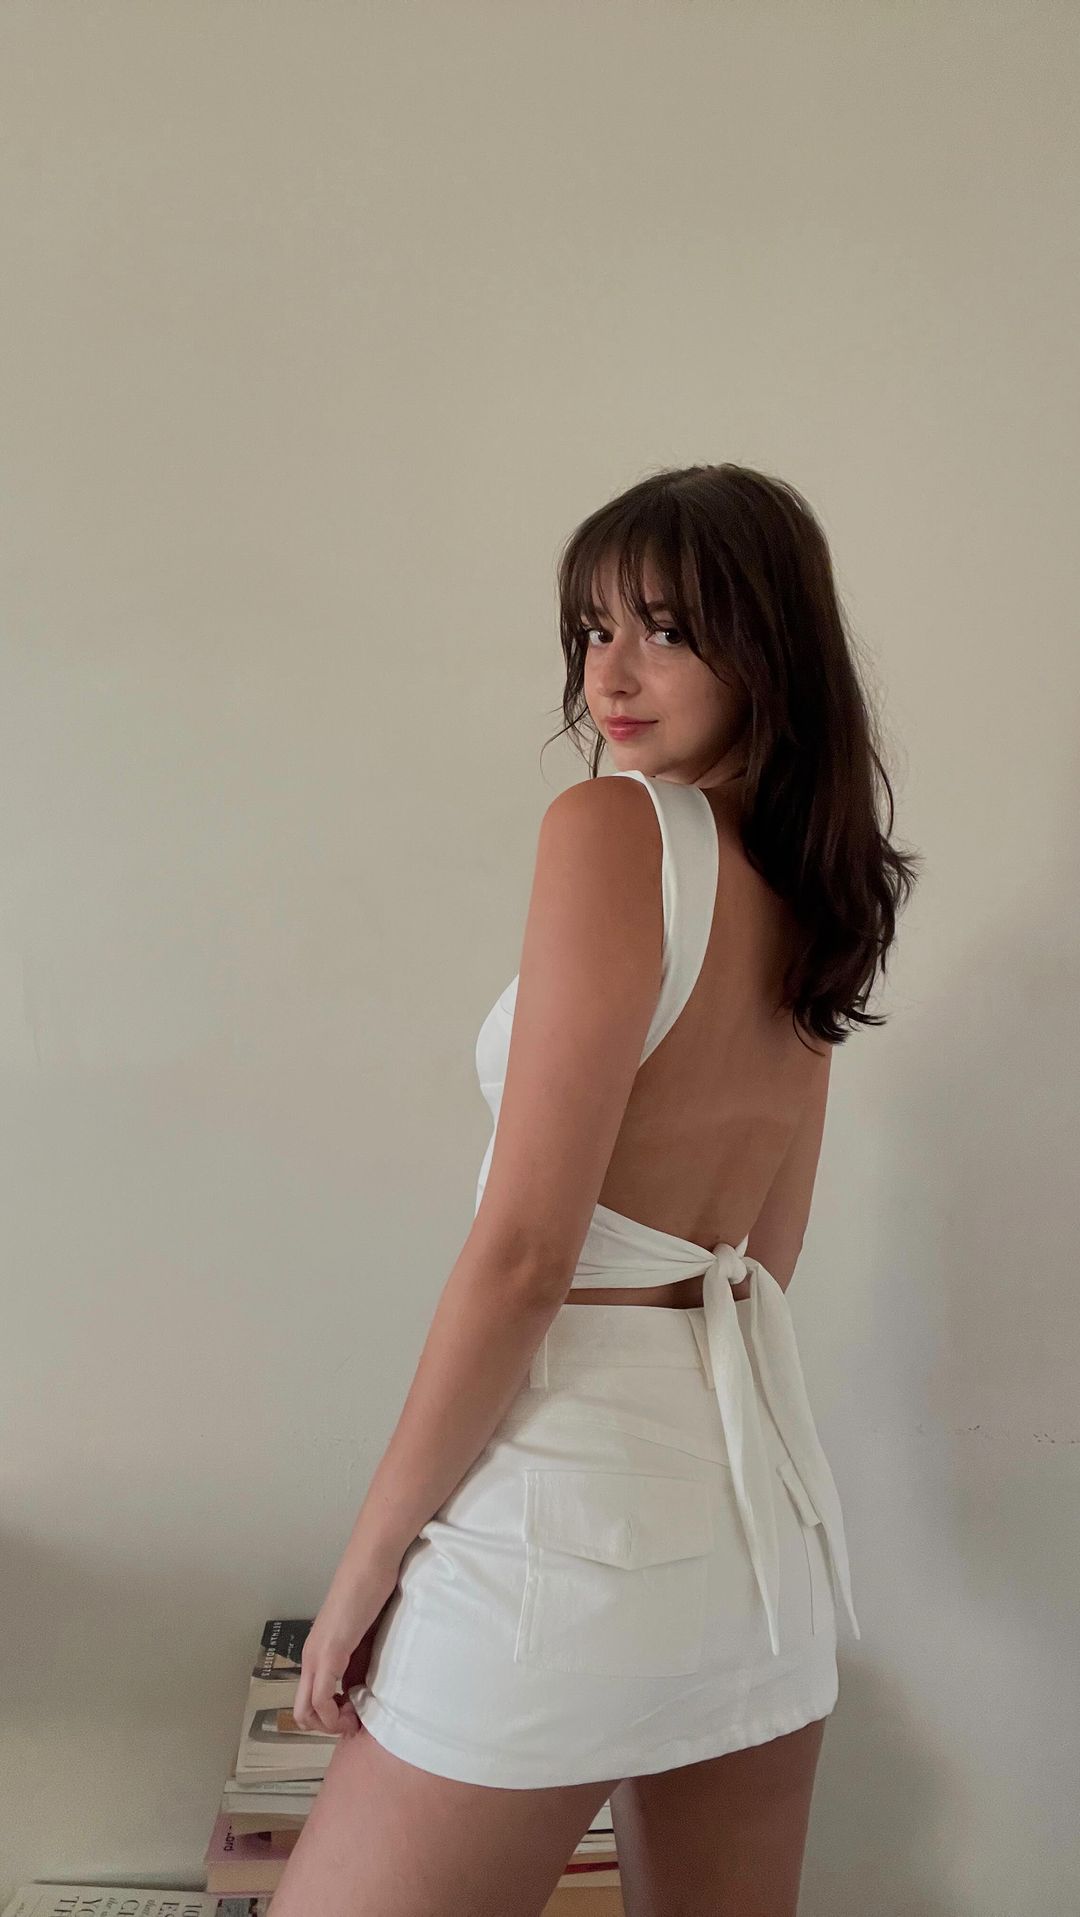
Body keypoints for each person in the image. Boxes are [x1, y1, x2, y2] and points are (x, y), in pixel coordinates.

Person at [271, 462, 920, 1917]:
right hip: (760, 1534)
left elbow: (524, 1253)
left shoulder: (617, 830)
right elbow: (766, 1250)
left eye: (666, 631)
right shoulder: (817, 892)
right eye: (591, 630)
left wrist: (369, 1567)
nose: (608, 676)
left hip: (563, 1512)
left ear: (768, 649)